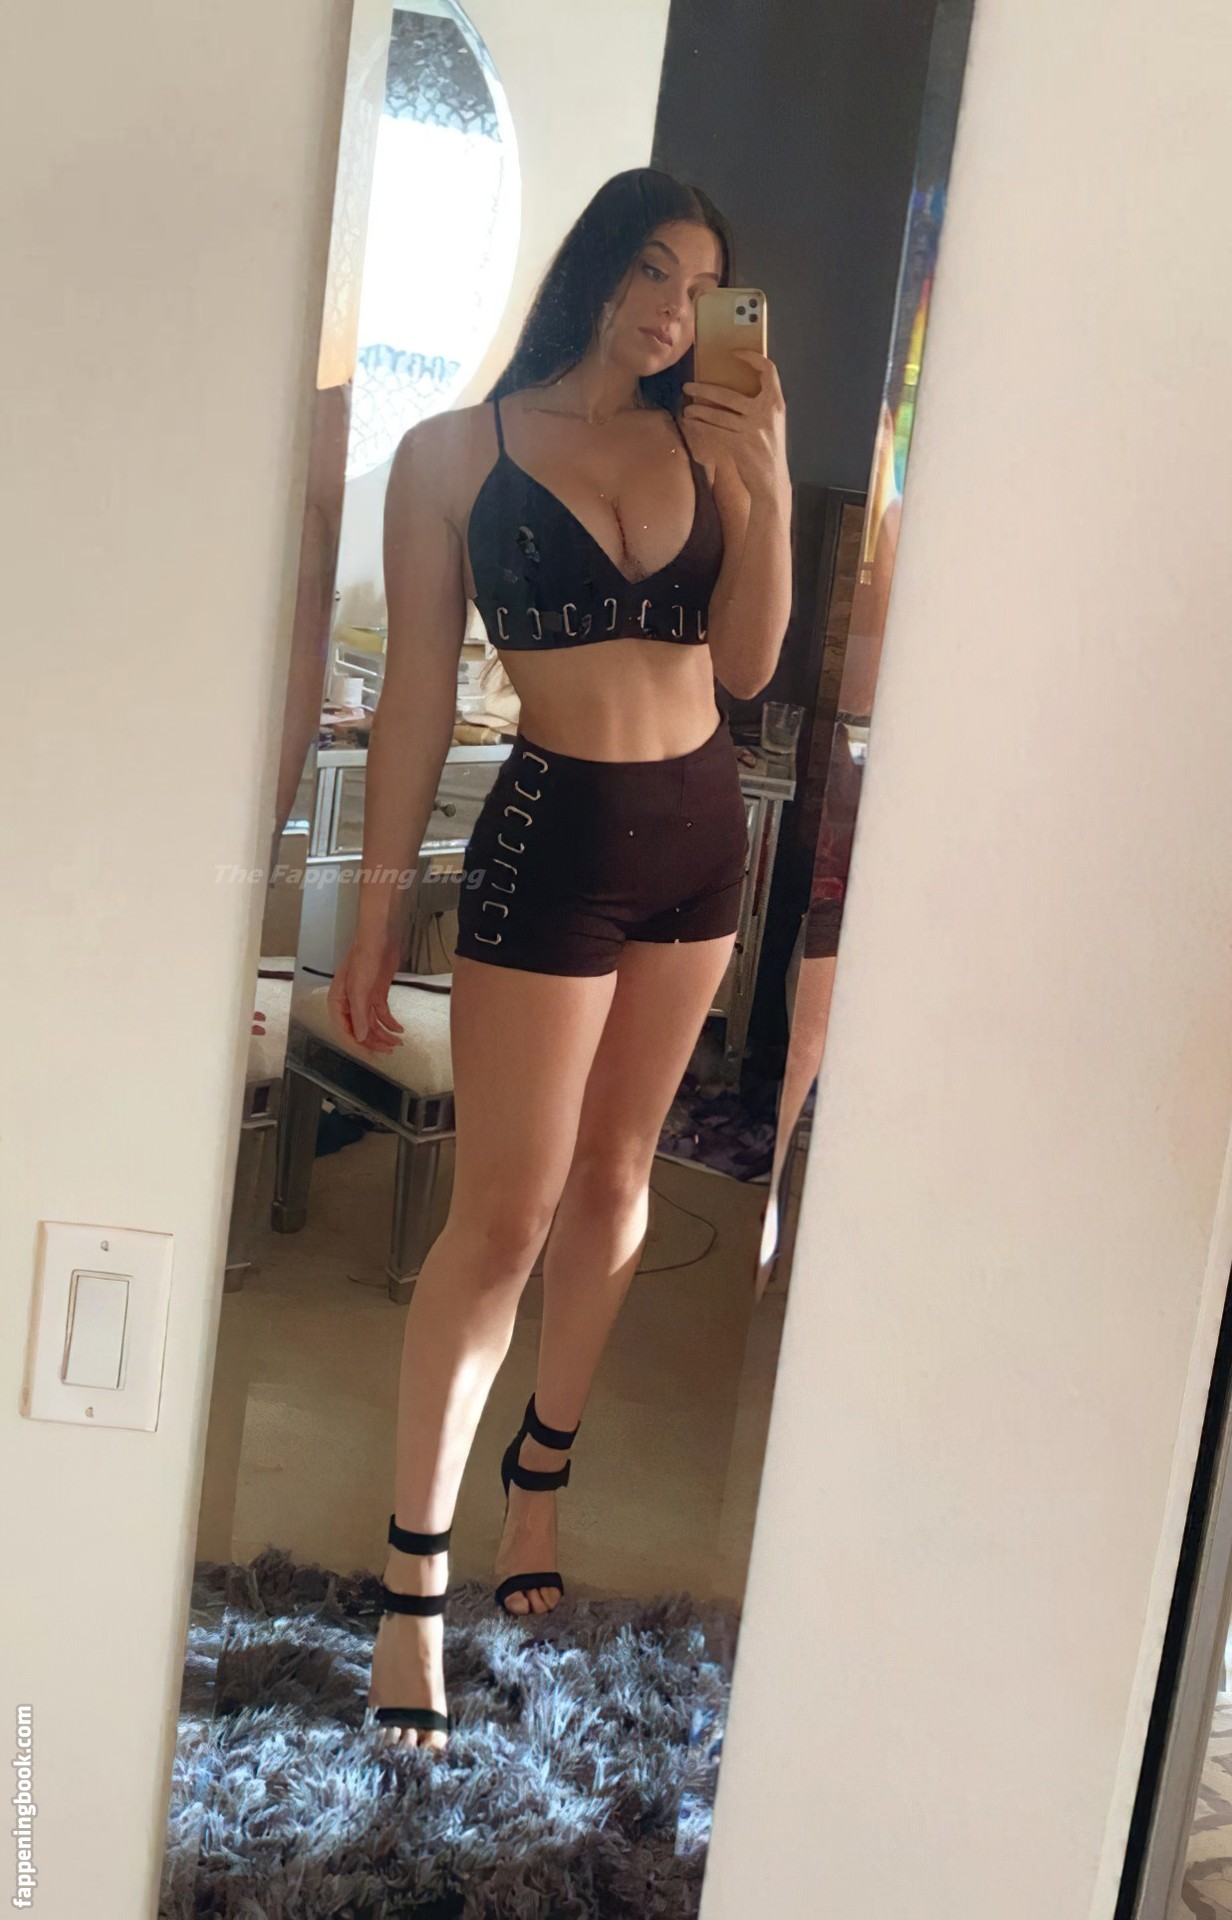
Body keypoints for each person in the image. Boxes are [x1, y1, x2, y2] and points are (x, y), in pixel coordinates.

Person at [327, 168, 792, 1749]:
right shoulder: (452, 455)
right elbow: (414, 695)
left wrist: (765, 489)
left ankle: (539, 1488)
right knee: (504, 1215)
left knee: (616, 1183)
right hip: (554, 846)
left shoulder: (712, 443)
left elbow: (746, 664)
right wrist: (378, 904)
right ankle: (412, 1580)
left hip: (702, 839)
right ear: (596, 267)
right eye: (652, 270)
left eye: (702, 288)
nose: (673, 310)